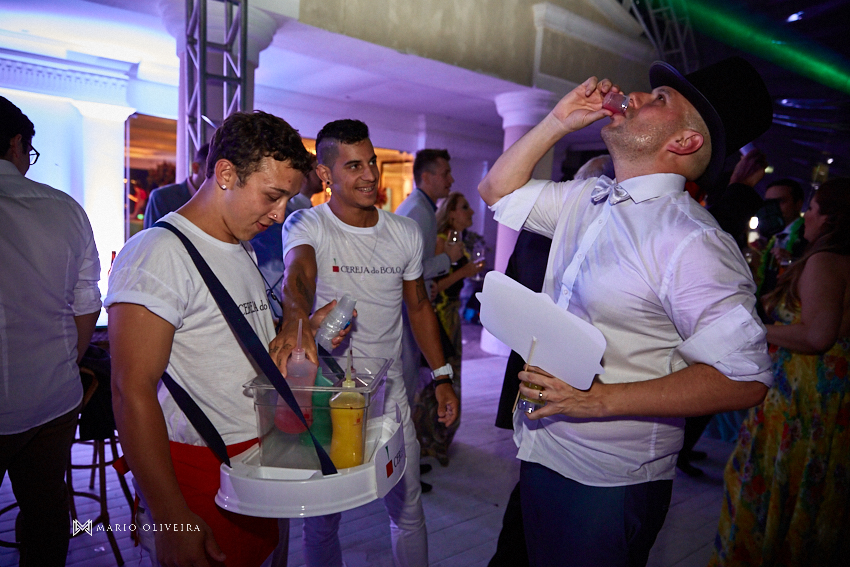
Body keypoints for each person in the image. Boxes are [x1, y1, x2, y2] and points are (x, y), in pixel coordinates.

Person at [477, 56, 775, 566]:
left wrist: (596, 401)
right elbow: (496, 191)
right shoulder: (588, 198)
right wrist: (557, 121)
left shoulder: (692, 241)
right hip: (542, 445)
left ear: (684, 143)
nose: (633, 97)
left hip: (608, 477)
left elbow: (744, 378)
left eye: (658, 100)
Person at [106, 110, 316, 567]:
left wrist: (293, 330)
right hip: (197, 472)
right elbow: (129, 391)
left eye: (287, 201)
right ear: (225, 173)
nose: (280, 214)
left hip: (252, 462)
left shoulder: (237, 243)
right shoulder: (158, 253)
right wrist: (171, 520)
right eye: (273, 196)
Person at [271, 119, 459, 567]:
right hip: (326, 398)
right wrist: (296, 318)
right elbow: (298, 274)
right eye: (354, 165)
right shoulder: (306, 223)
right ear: (326, 175)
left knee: (408, 509)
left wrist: (443, 375)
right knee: (320, 521)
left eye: (372, 162)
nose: (370, 175)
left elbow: (417, 308)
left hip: (390, 396)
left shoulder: (404, 233)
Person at [711, 177, 850, 567]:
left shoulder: (825, 261)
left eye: (814, 209)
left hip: (803, 401)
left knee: (772, 492)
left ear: (831, 217)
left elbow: (819, 336)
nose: (807, 217)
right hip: (829, 398)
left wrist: (754, 329)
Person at [0, 95, 102, 567]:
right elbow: (86, 302)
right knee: (45, 514)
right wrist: (66, 361)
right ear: (17, 144)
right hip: (51, 398)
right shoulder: (63, 208)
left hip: (46, 397)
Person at [413, 192, 484, 466]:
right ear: (451, 214)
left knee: (448, 379)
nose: (471, 212)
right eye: (465, 207)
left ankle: (437, 440)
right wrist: (463, 273)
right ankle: (426, 442)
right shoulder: (442, 240)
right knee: (437, 380)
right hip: (439, 315)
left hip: (452, 314)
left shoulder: (459, 240)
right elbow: (432, 287)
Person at [395, 149, 464, 412]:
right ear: (426, 177)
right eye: (445, 173)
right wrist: (448, 258)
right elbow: (409, 268)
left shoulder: (421, 207)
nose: (451, 179)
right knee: (406, 379)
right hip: (408, 309)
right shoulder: (419, 211)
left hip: (411, 303)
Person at [250, 153, 323, 320]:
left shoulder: (306, 210)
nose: (321, 176)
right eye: (315, 170)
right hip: (273, 285)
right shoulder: (289, 212)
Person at [754, 178, 807, 299]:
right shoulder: (770, 233)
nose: (773, 208)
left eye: (780, 201)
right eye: (769, 203)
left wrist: (791, 261)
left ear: (798, 204)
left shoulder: (808, 234)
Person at [143, 142, 210, 229]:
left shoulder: (219, 199)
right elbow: (151, 239)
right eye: (211, 170)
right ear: (195, 168)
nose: (217, 177)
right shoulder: (162, 197)